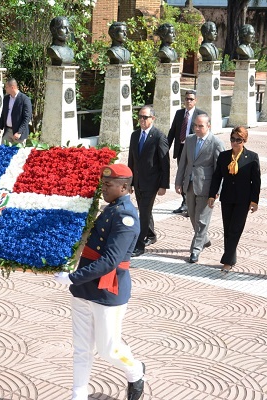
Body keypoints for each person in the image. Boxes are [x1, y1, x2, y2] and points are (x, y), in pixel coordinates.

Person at [53, 163, 145, 400]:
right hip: (84, 289)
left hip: (107, 290)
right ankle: (78, 394)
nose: (103, 188)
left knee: (109, 350)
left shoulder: (126, 216)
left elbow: (110, 261)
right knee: (82, 348)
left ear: (124, 187)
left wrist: (72, 277)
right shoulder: (111, 207)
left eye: (108, 184)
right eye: (103, 183)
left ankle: (134, 369)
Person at [207, 126, 260, 273]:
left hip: (243, 199)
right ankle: (232, 257)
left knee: (235, 230)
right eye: (232, 139)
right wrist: (212, 195)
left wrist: (254, 201)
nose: (235, 143)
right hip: (227, 198)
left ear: (245, 141)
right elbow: (217, 176)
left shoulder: (252, 157)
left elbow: (256, 182)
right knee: (228, 228)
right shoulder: (224, 156)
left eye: (239, 140)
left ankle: (227, 261)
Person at [175, 113, 224, 263]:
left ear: (208, 126)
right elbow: (183, 162)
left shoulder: (216, 143)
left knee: (202, 220)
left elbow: (220, 170)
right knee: (193, 217)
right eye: (195, 125)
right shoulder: (189, 140)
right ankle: (205, 239)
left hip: (206, 187)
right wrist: (178, 182)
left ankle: (195, 250)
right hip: (189, 185)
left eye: (200, 126)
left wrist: (216, 191)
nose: (197, 128)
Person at [128, 106, 170, 257]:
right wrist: (130, 182)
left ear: (153, 118)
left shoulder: (159, 136)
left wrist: (164, 185)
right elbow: (131, 159)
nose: (142, 120)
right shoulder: (134, 135)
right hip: (138, 181)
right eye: (140, 117)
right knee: (145, 210)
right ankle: (151, 235)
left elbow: (165, 162)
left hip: (152, 182)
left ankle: (139, 245)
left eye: (145, 117)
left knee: (144, 213)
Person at [167, 90, 205, 215]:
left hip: (194, 150)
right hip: (181, 149)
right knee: (183, 176)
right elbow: (172, 132)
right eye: (187, 99)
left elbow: (205, 134)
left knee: (191, 177)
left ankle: (191, 204)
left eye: (191, 99)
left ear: (196, 101)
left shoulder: (200, 115)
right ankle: (185, 203)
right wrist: (165, 149)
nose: (188, 101)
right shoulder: (179, 113)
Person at [0, 78, 32, 145]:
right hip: (7, 131)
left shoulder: (24, 99)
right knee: (3, 152)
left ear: (12, 87)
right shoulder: (6, 98)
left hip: (18, 134)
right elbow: (4, 114)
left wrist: (19, 132)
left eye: (6, 87)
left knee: (18, 154)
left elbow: (27, 118)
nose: (5, 89)